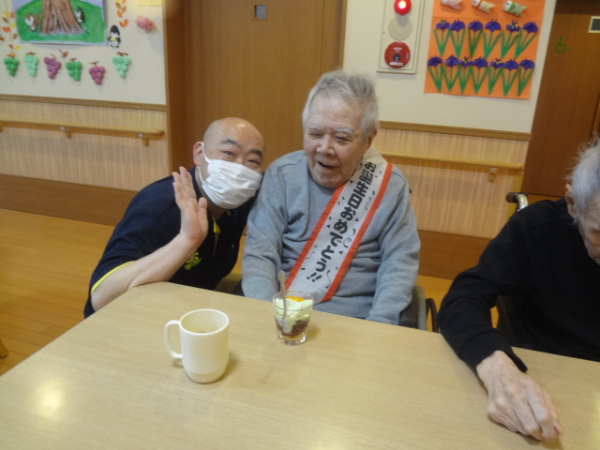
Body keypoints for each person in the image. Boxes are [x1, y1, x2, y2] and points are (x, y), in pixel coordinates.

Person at [438, 139, 600, 442]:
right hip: (541, 379)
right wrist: (497, 367)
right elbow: (464, 298)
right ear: (572, 202)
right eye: (599, 232)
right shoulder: (537, 228)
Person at [241, 70, 419, 324]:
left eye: (341, 138)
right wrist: (266, 317)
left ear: (368, 140)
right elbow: (260, 254)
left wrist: (379, 326)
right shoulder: (282, 175)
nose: (324, 148)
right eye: (314, 134)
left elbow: (399, 265)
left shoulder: (390, 186)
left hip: (359, 322)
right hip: (284, 315)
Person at [84, 117, 265, 317]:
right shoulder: (159, 207)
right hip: (131, 317)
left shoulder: (240, 200)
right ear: (199, 153)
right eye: (229, 153)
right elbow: (102, 298)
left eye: (253, 161)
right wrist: (186, 241)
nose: (239, 170)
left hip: (190, 308)